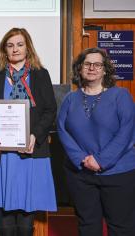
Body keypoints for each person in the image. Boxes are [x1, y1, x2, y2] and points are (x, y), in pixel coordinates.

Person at [0, 28, 57, 236]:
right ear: (4, 49)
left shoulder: (40, 74)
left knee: (25, 211)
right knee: (4, 211)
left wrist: (35, 135)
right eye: (10, 45)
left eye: (20, 44)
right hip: (1, 153)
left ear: (28, 47)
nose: (15, 49)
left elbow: (50, 110)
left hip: (30, 151)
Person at [57, 47, 135, 236]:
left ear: (105, 69)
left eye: (97, 64)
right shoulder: (70, 99)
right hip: (80, 174)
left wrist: (100, 160)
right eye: (87, 64)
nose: (92, 68)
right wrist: (83, 159)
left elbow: (127, 132)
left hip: (118, 173)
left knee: (121, 227)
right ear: (80, 68)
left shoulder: (121, 96)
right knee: (87, 226)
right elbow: (62, 130)